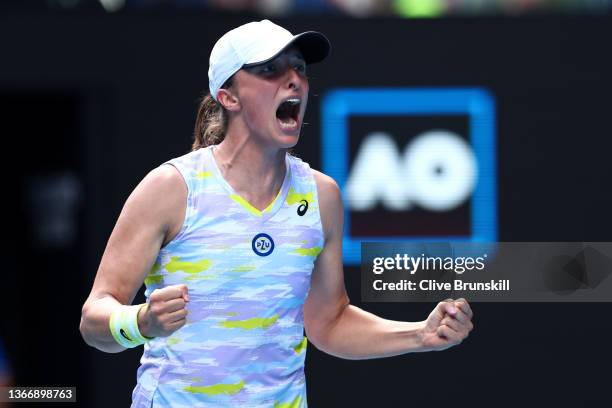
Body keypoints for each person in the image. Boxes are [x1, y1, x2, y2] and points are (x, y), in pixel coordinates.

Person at [79, 19, 474, 407]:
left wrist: (420, 334)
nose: (294, 80)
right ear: (228, 96)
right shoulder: (171, 188)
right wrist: (141, 322)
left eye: (299, 68)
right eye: (269, 69)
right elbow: (94, 320)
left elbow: (329, 322)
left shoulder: (322, 196)